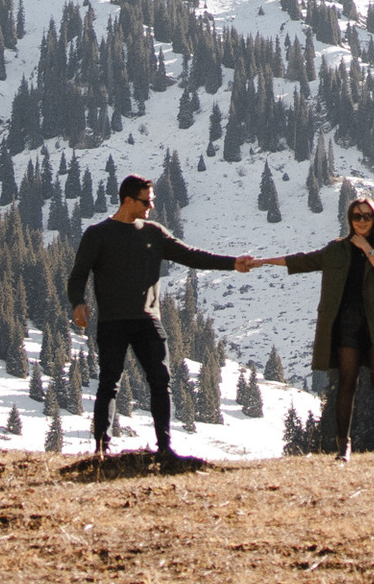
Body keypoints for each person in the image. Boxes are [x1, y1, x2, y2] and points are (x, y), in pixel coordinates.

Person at [66, 174, 243, 467]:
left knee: (161, 381)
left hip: (149, 320)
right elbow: (77, 275)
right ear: (127, 200)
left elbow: (191, 256)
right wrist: (78, 303)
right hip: (113, 321)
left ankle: (164, 448)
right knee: (109, 383)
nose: (150, 206)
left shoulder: (154, 233)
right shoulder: (98, 234)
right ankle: (101, 451)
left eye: (151, 200)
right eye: (145, 201)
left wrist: (232, 263)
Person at [277, 188, 374, 461]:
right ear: (350, 219)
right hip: (347, 324)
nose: (361, 220)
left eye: (367, 216)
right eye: (357, 216)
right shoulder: (337, 248)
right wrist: (263, 262)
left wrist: (366, 247)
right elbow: (304, 260)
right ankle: (343, 446)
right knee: (346, 382)